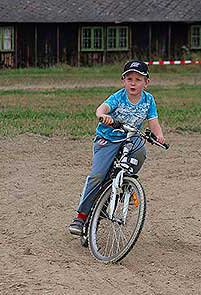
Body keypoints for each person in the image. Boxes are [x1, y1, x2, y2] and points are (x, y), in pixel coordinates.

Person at [69, 60, 166, 235]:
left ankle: (125, 183)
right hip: (109, 138)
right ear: (123, 81)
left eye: (138, 79)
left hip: (131, 137)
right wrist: (102, 115)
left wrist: (159, 135)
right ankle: (81, 216)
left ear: (146, 82)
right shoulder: (118, 97)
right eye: (129, 79)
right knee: (97, 176)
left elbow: (153, 121)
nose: (133, 83)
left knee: (141, 152)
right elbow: (103, 107)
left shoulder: (149, 100)